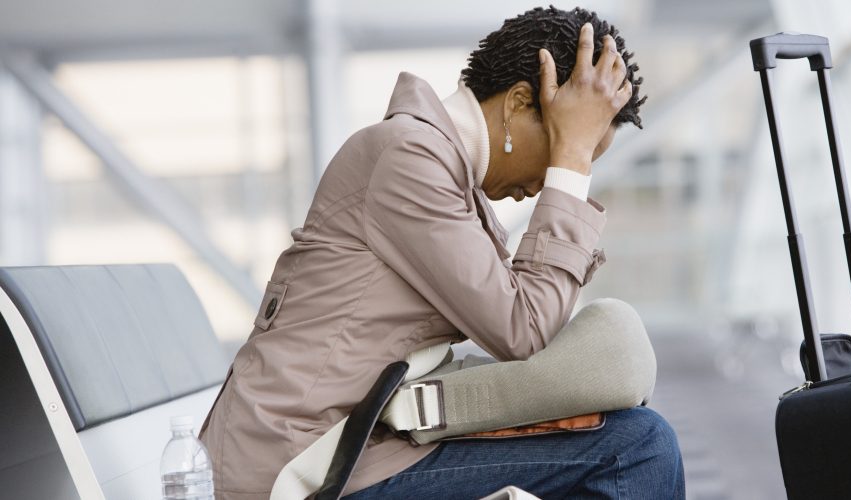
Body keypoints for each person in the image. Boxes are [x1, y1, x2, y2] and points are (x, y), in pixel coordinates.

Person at [199, 6, 684, 499]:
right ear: (519, 103)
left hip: (360, 446)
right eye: (564, 145)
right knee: (637, 446)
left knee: (626, 432)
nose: (547, 183)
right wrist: (571, 165)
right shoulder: (408, 159)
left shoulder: (442, 173)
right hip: (302, 465)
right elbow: (526, 329)